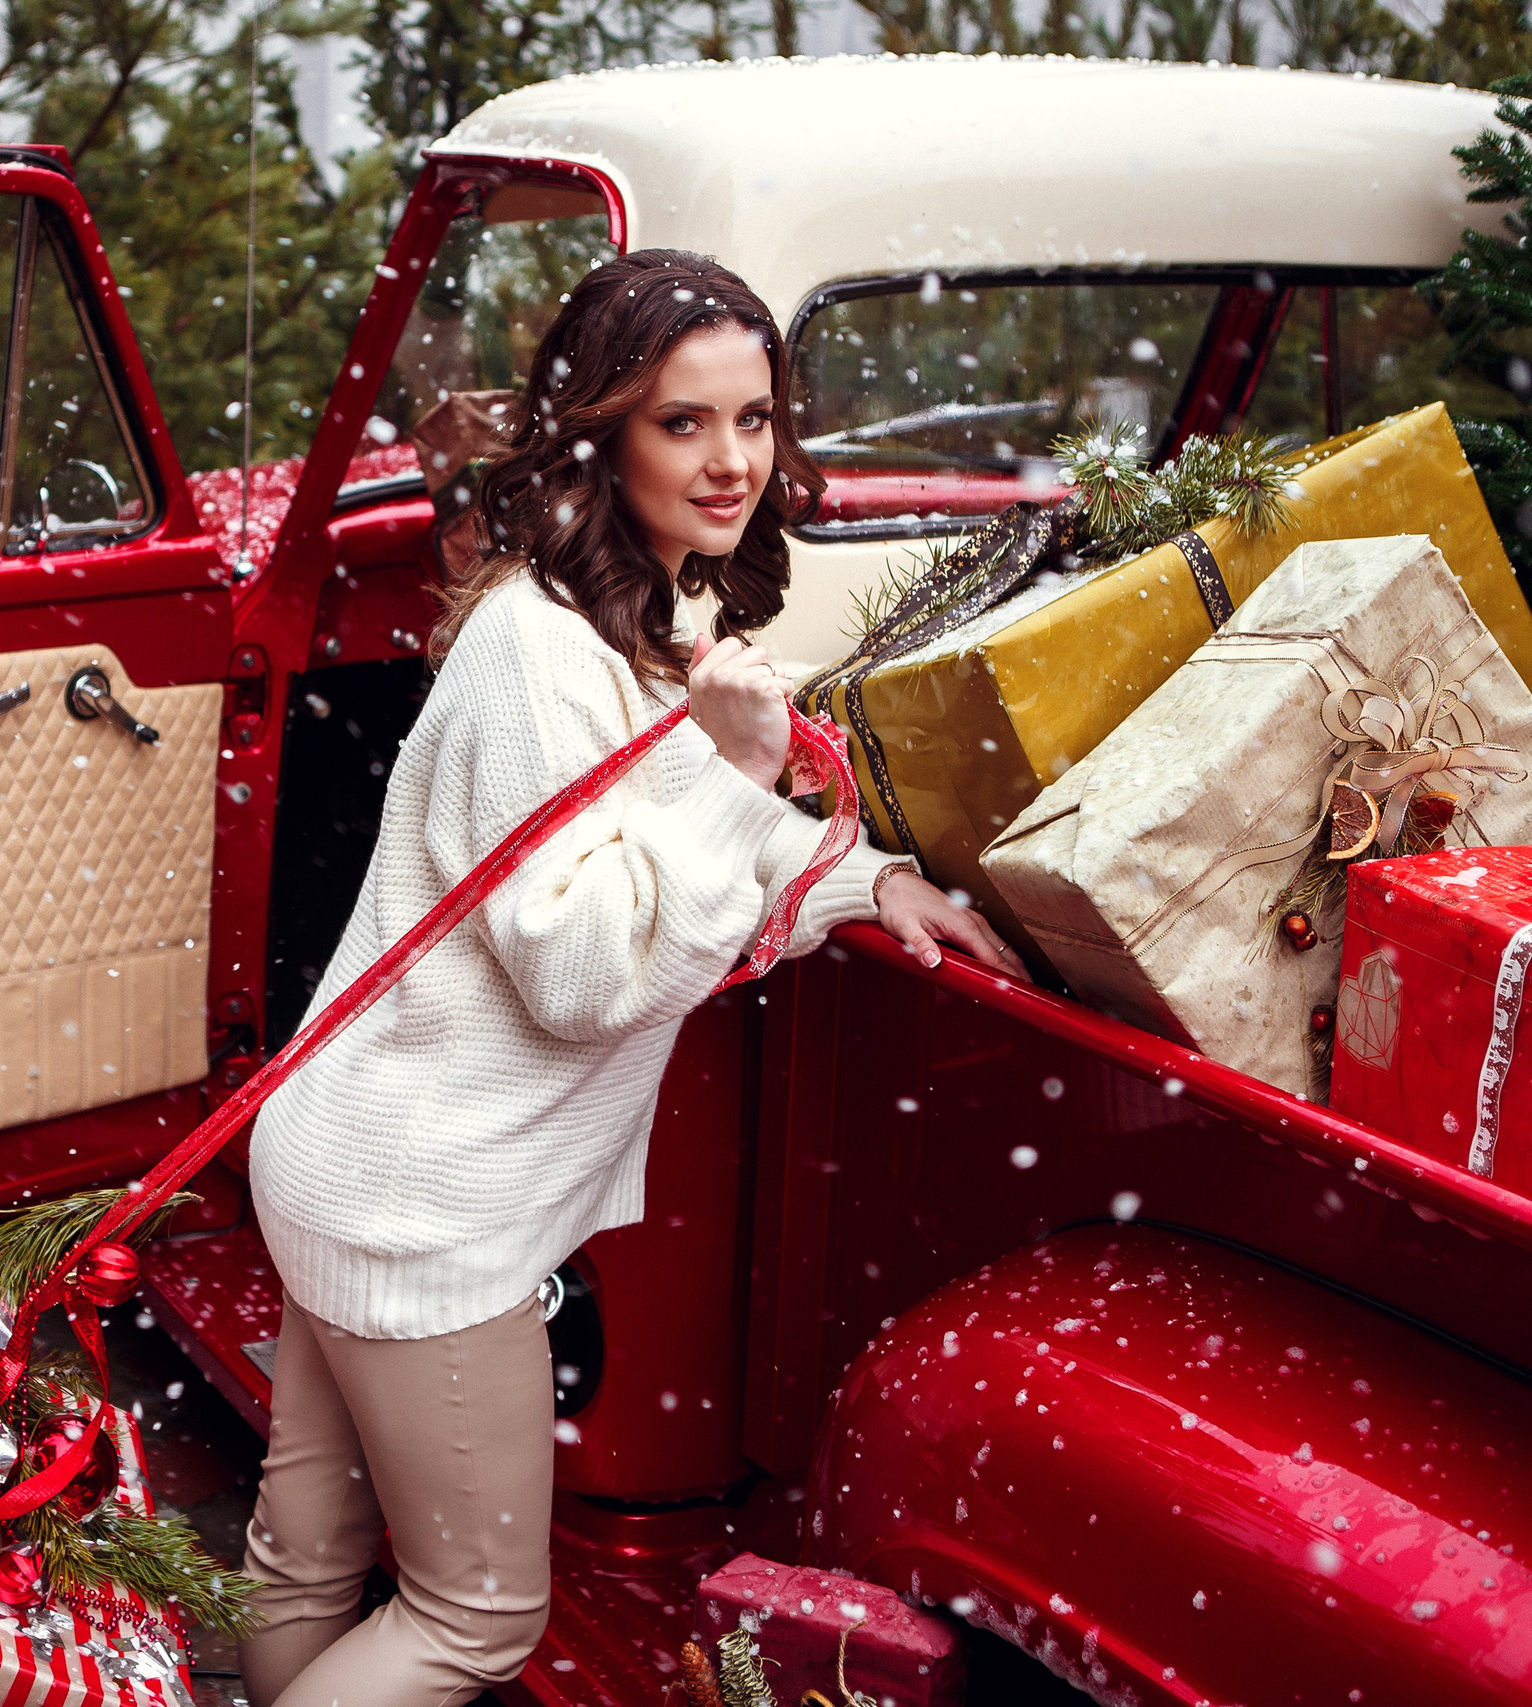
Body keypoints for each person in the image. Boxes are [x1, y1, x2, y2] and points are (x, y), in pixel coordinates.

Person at [237, 250, 1027, 1707]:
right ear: (602, 433)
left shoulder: (618, 619)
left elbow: (675, 846)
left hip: (346, 1144)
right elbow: (590, 969)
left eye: (757, 419)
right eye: (683, 424)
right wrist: (739, 761)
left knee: (308, 1562)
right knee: (468, 1621)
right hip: (425, 1201)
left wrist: (866, 882)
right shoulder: (544, 657)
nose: (732, 463)